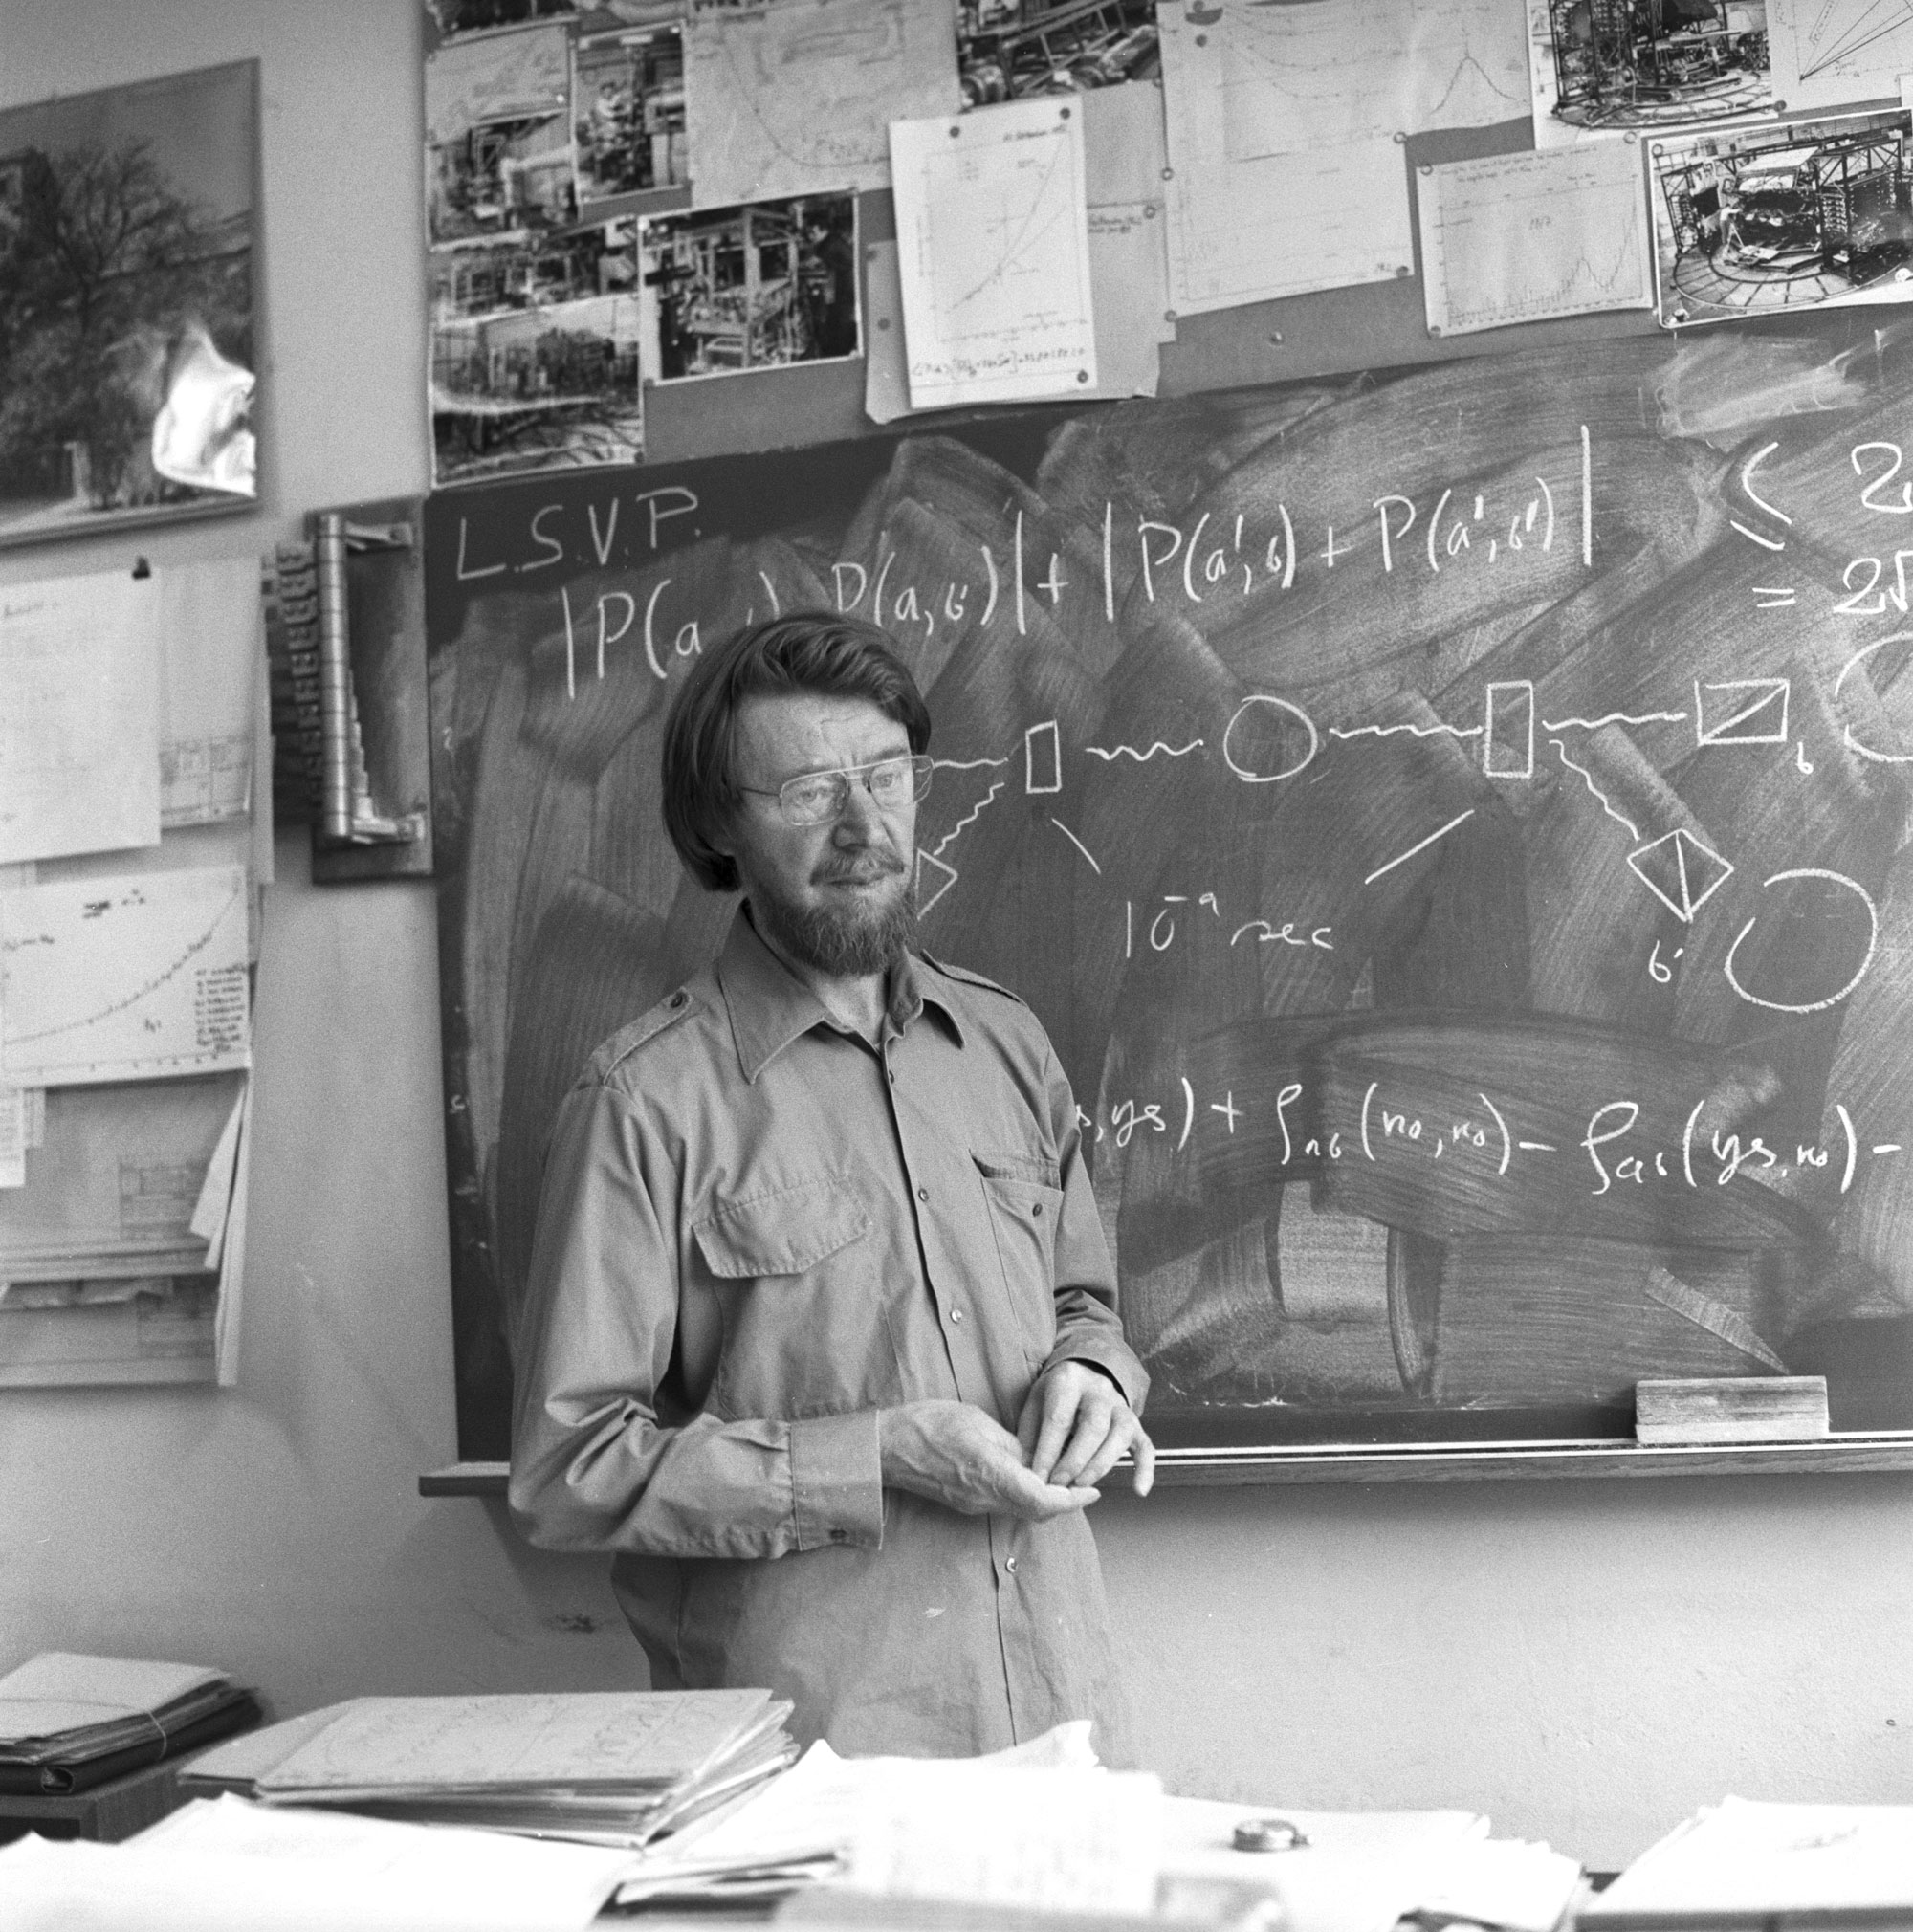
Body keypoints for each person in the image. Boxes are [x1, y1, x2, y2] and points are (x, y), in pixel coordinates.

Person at [509, 611, 1154, 1759]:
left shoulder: (1005, 1046)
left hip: (1059, 1721)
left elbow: (1080, 1305)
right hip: (805, 1768)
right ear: (718, 825)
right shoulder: (642, 1102)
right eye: (807, 789)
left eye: (886, 776)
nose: (863, 825)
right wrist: (881, 1452)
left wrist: (1096, 1377)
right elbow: (568, 1470)